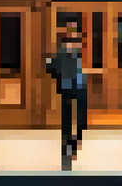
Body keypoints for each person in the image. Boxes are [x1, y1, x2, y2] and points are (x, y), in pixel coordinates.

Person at [47, 30, 86, 167]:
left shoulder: (76, 55)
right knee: (67, 118)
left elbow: (78, 71)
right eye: (73, 41)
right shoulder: (60, 54)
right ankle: (67, 145)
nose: (76, 44)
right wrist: (59, 77)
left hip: (78, 87)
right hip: (67, 88)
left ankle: (73, 143)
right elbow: (50, 68)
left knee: (79, 118)